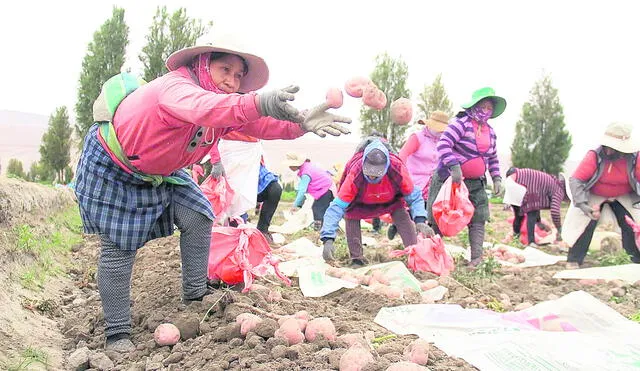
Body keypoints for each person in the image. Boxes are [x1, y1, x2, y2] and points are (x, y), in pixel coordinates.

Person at [74, 34, 351, 352]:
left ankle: (195, 291)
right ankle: (117, 331)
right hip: (118, 165)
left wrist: (300, 123)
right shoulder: (175, 88)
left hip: (164, 170)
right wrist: (256, 101)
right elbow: (206, 107)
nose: (233, 81)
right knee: (119, 248)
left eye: (238, 76)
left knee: (198, 215)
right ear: (201, 64)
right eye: (225, 70)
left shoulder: (223, 107)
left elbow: (259, 124)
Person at [426, 87, 506, 266]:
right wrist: (454, 167)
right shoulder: (460, 123)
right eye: (483, 106)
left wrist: (497, 178)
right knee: (439, 216)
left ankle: (476, 258)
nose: (485, 110)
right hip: (449, 179)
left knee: (479, 216)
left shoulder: (490, 132)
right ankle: (434, 256)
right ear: (474, 105)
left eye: (489, 108)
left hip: (476, 182)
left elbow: (492, 158)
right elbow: (444, 145)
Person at [320, 139, 432, 266]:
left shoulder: (396, 168)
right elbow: (337, 207)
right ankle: (357, 259)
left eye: (376, 174)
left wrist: (420, 221)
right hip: (359, 203)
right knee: (350, 216)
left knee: (401, 214)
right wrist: (328, 239)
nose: (372, 177)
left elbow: (414, 197)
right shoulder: (355, 172)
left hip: (391, 201)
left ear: (385, 166)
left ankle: (415, 254)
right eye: (369, 173)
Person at [562, 122, 640, 269]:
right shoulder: (594, 155)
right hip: (595, 193)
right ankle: (574, 259)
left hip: (623, 194)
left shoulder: (635, 158)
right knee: (585, 222)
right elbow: (577, 179)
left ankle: (635, 260)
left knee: (631, 224)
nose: (609, 151)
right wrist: (584, 205)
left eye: (614, 148)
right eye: (608, 147)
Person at [387, 111, 450, 240]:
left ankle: (423, 239)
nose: (439, 132)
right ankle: (398, 226)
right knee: (412, 207)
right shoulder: (417, 137)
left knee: (429, 210)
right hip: (414, 178)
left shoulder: (445, 142)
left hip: (434, 181)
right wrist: (400, 175)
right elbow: (402, 155)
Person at [504, 167, 568, 246]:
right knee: (532, 212)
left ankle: (516, 239)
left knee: (519, 215)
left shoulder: (552, 183)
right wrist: (559, 229)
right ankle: (531, 242)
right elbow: (555, 211)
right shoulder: (559, 191)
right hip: (520, 182)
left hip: (513, 180)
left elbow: (538, 201)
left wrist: (538, 221)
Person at [285, 153, 336, 231]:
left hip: (325, 188)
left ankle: (320, 228)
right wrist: (299, 205)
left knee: (318, 208)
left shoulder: (305, 173)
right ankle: (327, 226)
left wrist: (295, 205)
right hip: (329, 187)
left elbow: (302, 191)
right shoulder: (308, 166)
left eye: (290, 165)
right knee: (324, 209)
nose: (289, 167)